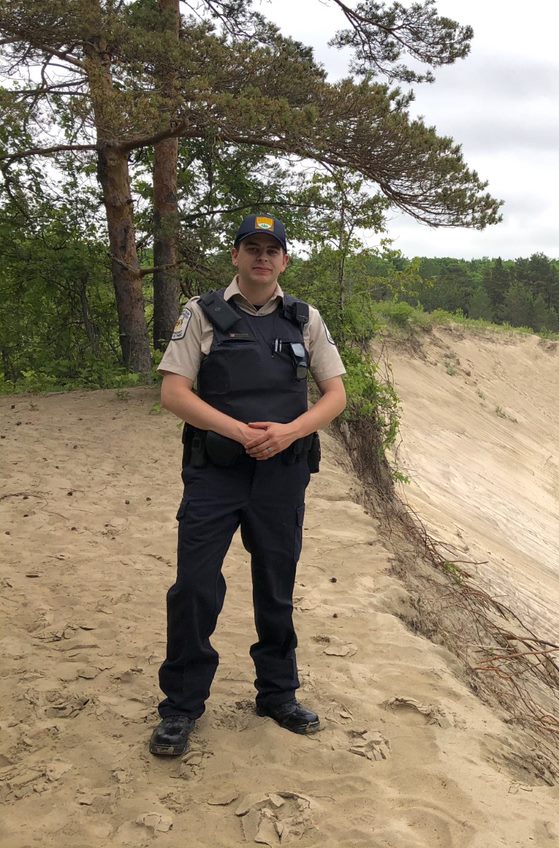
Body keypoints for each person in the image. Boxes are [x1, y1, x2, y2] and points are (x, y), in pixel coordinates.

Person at [149, 214, 347, 757]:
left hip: (282, 476)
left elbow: (335, 395)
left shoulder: (305, 318)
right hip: (215, 473)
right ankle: (181, 707)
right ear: (235, 256)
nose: (262, 257)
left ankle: (278, 695)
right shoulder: (201, 312)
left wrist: (289, 433)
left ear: (284, 260)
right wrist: (239, 432)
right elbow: (174, 392)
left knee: (276, 586)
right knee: (194, 586)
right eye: (252, 248)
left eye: (271, 249)